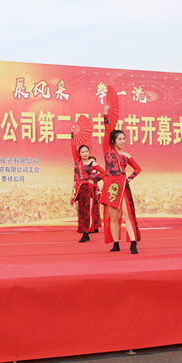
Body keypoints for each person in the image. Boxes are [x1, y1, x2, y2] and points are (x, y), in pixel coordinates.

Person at [100, 105, 141, 254]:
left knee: (127, 215)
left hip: (123, 185)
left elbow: (137, 169)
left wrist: (129, 178)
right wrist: (106, 116)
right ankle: (115, 243)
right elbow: (107, 131)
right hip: (110, 186)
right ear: (113, 141)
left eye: (124, 139)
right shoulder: (107, 151)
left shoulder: (126, 155)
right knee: (114, 217)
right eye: (120, 139)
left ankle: (133, 243)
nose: (123, 141)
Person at [69, 134, 105, 243]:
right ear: (79, 153)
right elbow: (73, 147)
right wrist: (72, 135)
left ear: (89, 152)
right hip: (78, 189)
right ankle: (84, 231)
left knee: (87, 211)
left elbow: (103, 172)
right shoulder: (77, 160)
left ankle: (86, 232)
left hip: (87, 189)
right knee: (80, 211)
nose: (85, 153)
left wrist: (93, 179)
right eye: (82, 152)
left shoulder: (92, 163)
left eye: (86, 151)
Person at [89, 156, 102, 233]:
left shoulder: (98, 172)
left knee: (95, 209)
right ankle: (89, 227)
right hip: (87, 190)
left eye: (93, 162)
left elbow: (107, 181)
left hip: (95, 190)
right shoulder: (84, 171)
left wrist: (102, 191)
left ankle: (95, 227)